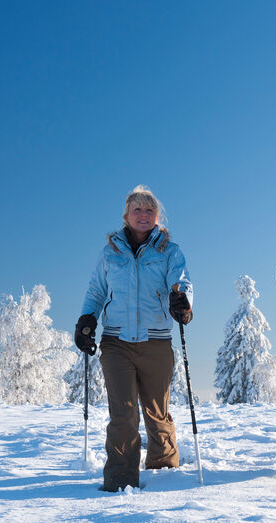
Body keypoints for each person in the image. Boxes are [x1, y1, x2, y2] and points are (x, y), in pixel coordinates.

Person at [75, 185, 193, 492]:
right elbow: (97, 291)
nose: (143, 215)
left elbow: (180, 282)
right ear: (126, 216)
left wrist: (181, 302)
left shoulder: (170, 251)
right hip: (117, 342)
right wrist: (87, 318)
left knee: (157, 412)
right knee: (123, 413)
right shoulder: (110, 252)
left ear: (157, 217)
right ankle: (119, 478)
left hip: (156, 341)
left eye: (149, 210)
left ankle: (164, 470)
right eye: (137, 210)